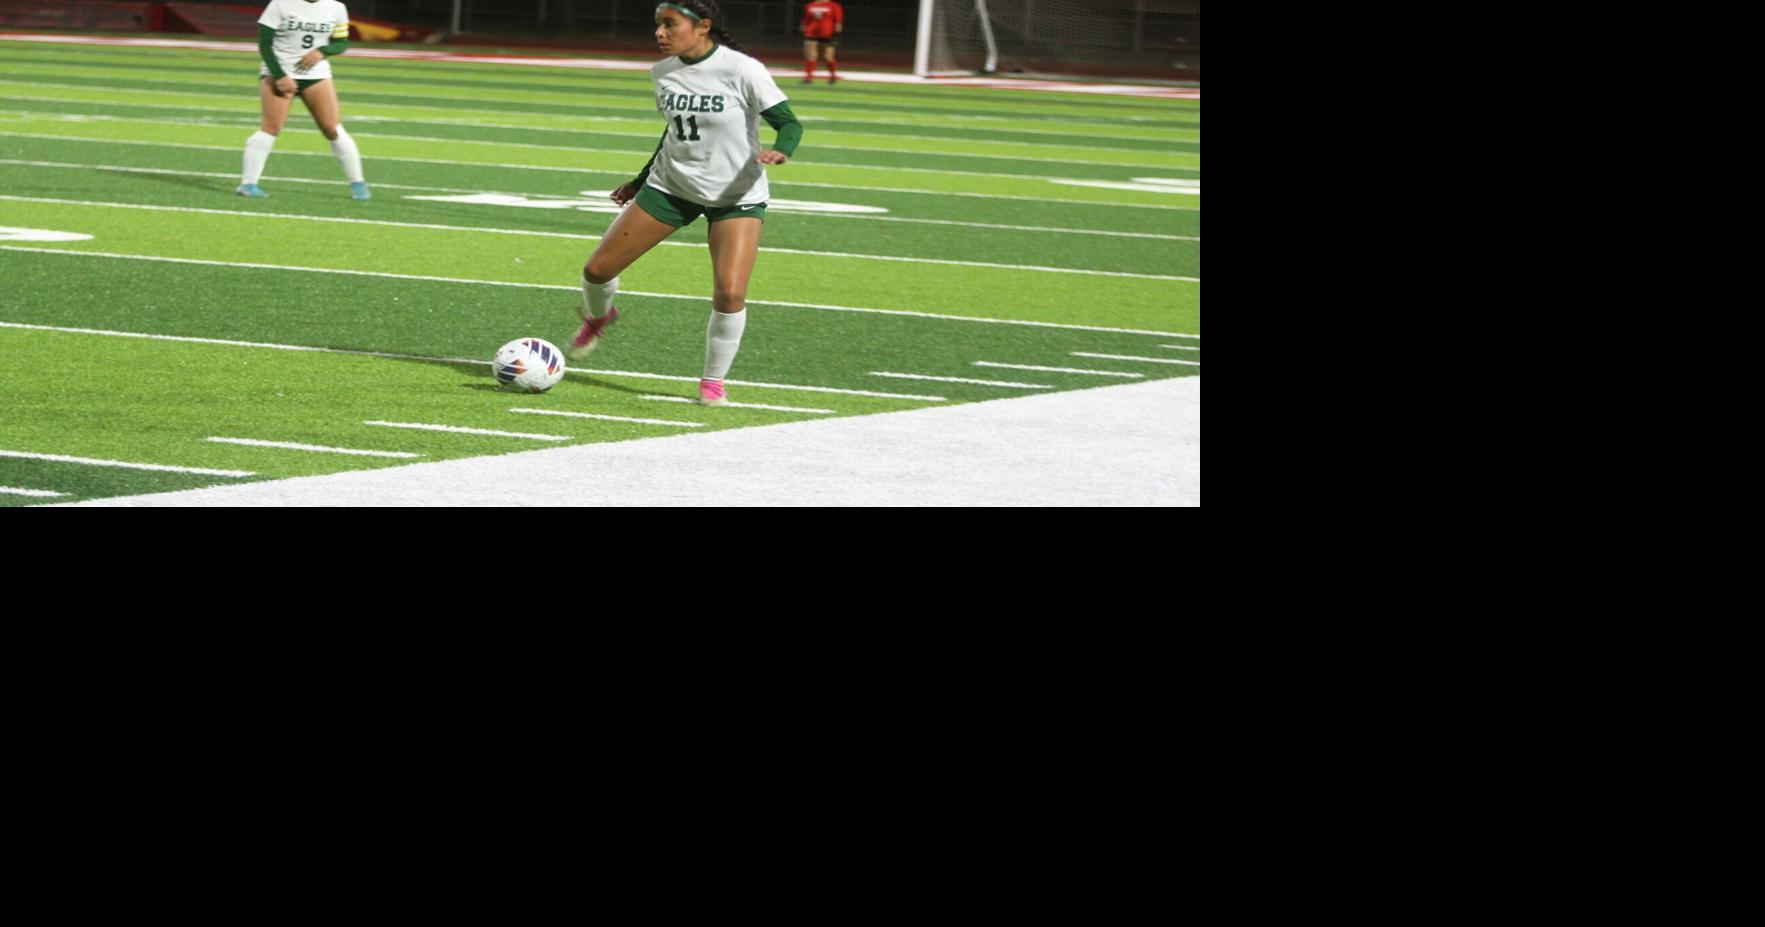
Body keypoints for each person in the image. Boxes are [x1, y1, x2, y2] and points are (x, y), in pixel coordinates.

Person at [568, 1, 804, 408]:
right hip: (672, 187)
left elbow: (789, 122)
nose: (659, 33)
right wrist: (640, 180)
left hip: (736, 196)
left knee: (730, 294)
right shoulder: (663, 73)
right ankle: (599, 318)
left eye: (669, 25)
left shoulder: (742, 69)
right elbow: (674, 134)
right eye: (657, 25)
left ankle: (713, 381)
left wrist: (780, 151)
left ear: (703, 27)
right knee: (596, 270)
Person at [237, 0, 369, 200]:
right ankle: (248, 184)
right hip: (279, 72)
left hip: (316, 75)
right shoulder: (280, 4)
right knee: (271, 127)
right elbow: (265, 44)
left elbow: (341, 43)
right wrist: (279, 75)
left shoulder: (336, 7)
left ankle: (358, 183)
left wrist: (322, 51)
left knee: (333, 128)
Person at [801, 0, 844, 84]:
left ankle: (833, 76)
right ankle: (808, 78)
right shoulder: (810, 5)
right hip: (811, 33)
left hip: (828, 34)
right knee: (811, 56)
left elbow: (838, 21)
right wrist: (803, 30)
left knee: (828, 57)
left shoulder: (834, 6)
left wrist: (836, 34)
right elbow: (805, 19)